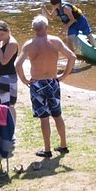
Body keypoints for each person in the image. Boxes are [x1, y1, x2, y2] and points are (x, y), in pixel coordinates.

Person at [16, 15, 77, 158]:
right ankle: (63, 145)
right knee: (57, 115)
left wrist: (24, 79)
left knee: (44, 118)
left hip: (37, 84)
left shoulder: (29, 45)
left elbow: (17, 64)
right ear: (46, 27)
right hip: (52, 82)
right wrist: (64, 75)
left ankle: (47, 149)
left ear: (33, 29)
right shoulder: (55, 41)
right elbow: (72, 57)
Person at [0, 20, 19, 111]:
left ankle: (11, 125)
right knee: (1, 104)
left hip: (7, 77)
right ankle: (5, 124)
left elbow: (4, 61)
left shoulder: (11, 44)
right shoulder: (3, 41)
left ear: (8, 31)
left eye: (2, 34)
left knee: (9, 105)